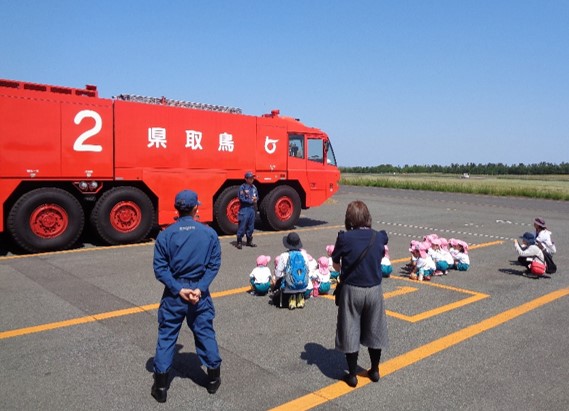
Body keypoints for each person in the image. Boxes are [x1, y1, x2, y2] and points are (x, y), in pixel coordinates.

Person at [151, 190, 222, 402]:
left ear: (176, 209)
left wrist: (178, 289)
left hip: (175, 292)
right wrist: (200, 288)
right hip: (199, 292)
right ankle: (212, 380)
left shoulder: (165, 235)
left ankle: (161, 387)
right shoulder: (209, 234)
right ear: (195, 208)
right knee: (205, 332)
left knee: (167, 336)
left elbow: (160, 268)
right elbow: (213, 264)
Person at [331, 200, 389, 387]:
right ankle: (374, 369)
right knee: (375, 329)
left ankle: (353, 374)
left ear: (349, 219)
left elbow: (336, 264)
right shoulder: (379, 237)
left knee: (350, 329)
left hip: (352, 289)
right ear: (367, 217)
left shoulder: (344, 238)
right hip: (374, 289)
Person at [274, 232, 310, 310]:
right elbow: (308, 270)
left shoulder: (284, 255)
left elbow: (278, 274)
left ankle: (292, 298)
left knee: (275, 296)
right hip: (303, 286)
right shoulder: (303, 254)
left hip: (288, 287)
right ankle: (300, 297)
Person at [236, 171, 259, 249]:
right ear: (246, 179)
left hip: (252, 209)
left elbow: (257, 196)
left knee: (251, 226)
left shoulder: (254, 187)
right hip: (244, 208)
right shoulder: (242, 187)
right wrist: (250, 201)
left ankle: (249, 241)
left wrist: (255, 200)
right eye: (250, 178)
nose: (252, 179)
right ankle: (239, 241)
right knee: (242, 225)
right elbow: (241, 198)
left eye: (252, 178)